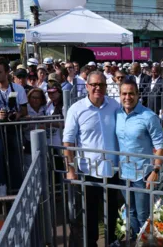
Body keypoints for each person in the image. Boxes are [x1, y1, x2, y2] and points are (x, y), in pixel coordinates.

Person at [63, 71, 120, 246]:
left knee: (112, 209)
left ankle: (112, 241)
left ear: (106, 87)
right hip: (89, 170)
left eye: (101, 85)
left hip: (113, 168)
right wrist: (70, 170)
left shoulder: (114, 106)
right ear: (87, 86)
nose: (97, 88)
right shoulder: (76, 109)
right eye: (94, 84)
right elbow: (68, 141)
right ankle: (92, 242)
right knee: (90, 211)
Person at [116, 79, 163, 241]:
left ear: (138, 95)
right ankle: (134, 242)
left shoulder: (148, 116)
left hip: (142, 174)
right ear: (120, 95)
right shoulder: (117, 114)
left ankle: (145, 242)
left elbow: (161, 145)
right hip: (123, 172)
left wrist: (155, 170)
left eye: (131, 93)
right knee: (129, 212)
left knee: (143, 214)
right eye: (124, 93)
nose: (127, 97)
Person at [0, 57, 28, 196]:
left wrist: (17, 114)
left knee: (16, 160)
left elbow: (24, 110)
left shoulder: (17, 88)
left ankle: (18, 191)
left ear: (7, 72)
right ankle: (2, 188)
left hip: (14, 129)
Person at [23, 88, 47, 172]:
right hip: (29, 141)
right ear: (29, 98)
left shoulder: (45, 108)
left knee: (43, 166)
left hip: (44, 141)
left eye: (38, 98)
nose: (35, 100)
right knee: (30, 168)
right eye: (33, 97)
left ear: (42, 99)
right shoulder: (25, 110)